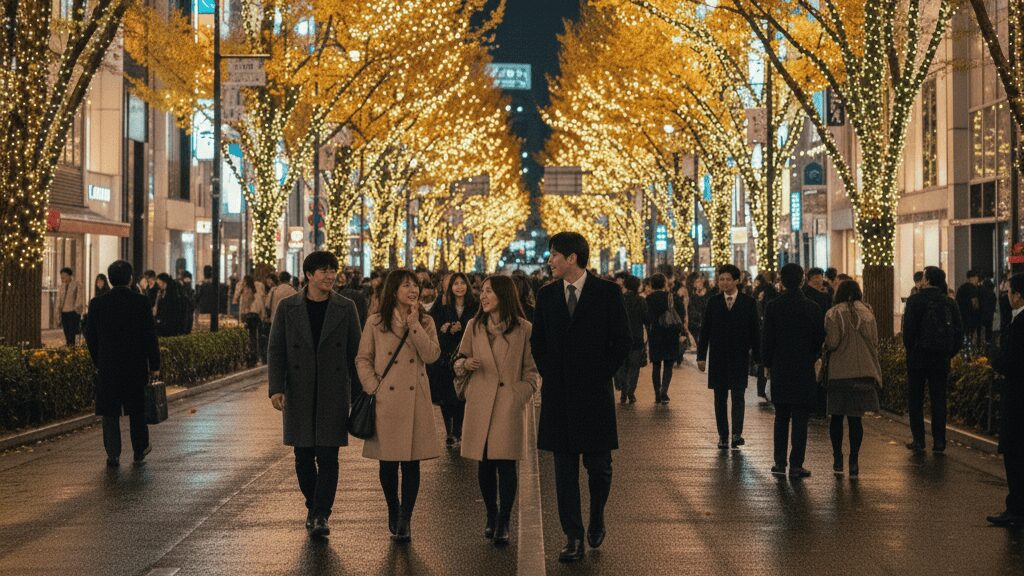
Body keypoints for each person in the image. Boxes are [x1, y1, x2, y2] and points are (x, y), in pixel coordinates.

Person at [530, 232, 630, 563]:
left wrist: (600, 373)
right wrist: (550, 371)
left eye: (554, 255)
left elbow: (621, 341)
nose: (550, 261)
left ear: (572, 257)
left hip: (594, 393)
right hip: (559, 393)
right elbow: (538, 341)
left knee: (599, 467)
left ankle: (597, 514)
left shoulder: (607, 293)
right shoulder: (546, 296)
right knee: (564, 470)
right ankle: (572, 535)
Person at [268, 251, 362, 538]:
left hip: (333, 391)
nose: (330, 276)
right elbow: (277, 349)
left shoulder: (346, 308)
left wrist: (359, 394)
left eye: (333, 270)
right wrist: (276, 388)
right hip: (299, 388)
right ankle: (313, 505)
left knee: (329, 455)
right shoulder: (288, 307)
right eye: (323, 271)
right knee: (303, 455)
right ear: (309, 275)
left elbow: (355, 354)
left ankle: (322, 514)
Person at [355, 270, 441, 542]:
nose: (413, 290)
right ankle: (393, 506)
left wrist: (414, 325)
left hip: (415, 399)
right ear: (394, 291)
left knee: (412, 463)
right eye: (406, 286)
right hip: (386, 399)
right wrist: (373, 386)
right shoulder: (376, 322)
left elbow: (431, 355)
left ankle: (406, 518)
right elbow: (363, 358)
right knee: (388, 464)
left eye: (415, 286)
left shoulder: (425, 321)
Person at [453, 275, 540, 546]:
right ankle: (491, 514)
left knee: (506, 464)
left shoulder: (524, 329)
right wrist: (464, 365)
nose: (483, 296)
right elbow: (459, 357)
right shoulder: (474, 325)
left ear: (504, 294)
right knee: (485, 464)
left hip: (507, 403)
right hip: (480, 401)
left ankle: (504, 520)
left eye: (489, 291)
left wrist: (520, 393)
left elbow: (532, 371)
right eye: (483, 291)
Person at [84, 260, 160, 467]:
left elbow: (90, 335)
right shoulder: (140, 302)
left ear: (109, 279)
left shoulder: (97, 303)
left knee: (110, 411)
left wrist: (98, 358)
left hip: (108, 364)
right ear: (130, 278)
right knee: (137, 409)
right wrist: (154, 364)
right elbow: (149, 336)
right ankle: (139, 449)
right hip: (135, 365)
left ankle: (113, 453)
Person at [762, 263, 825, 479]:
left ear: (781, 280)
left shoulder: (773, 306)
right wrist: (811, 356)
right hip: (803, 368)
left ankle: (779, 463)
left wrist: (767, 364)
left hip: (780, 367)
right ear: (802, 280)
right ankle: (796, 464)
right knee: (800, 418)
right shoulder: (813, 308)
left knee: (781, 417)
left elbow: (767, 339)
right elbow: (819, 339)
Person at [698, 264, 760, 449]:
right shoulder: (713, 302)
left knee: (739, 396)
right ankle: (723, 435)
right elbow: (705, 330)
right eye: (721, 279)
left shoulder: (748, 303)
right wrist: (701, 356)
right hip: (718, 357)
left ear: (736, 281)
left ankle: (736, 434)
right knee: (720, 398)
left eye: (727, 279)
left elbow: (755, 331)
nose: (723, 283)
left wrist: (758, 357)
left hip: (739, 356)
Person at [823, 279, 881, 478]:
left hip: (839, 373)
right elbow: (874, 341)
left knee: (837, 417)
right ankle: (854, 461)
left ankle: (837, 458)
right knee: (856, 420)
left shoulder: (833, 313)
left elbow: (832, 342)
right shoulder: (868, 313)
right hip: (863, 372)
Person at [902, 266, 962, 453]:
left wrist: (912, 351)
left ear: (927, 281)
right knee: (938, 399)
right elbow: (958, 333)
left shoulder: (914, 301)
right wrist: (948, 353)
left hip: (918, 357)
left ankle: (919, 440)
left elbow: (908, 332)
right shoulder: (949, 302)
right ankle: (939, 441)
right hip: (940, 358)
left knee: (916, 399)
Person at [989, 273, 1024, 527]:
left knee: (1015, 452)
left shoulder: (1020, 323)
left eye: (1010, 291)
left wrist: (995, 359)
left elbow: (1011, 362)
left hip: (1018, 396)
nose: (1008, 296)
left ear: (1019, 294)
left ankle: (1016, 508)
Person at [430, 272, 479, 447]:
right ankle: (450, 432)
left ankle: (458, 431)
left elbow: (478, 325)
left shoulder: (475, 304)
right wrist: (444, 328)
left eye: (462, 283)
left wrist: (463, 326)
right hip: (445, 357)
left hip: (465, 355)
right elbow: (432, 324)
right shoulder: (442, 303)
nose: (459, 287)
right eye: (455, 284)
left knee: (461, 395)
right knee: (446, 396)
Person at [645, 273, 682, 404]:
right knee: (668, 366)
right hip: (670, 334)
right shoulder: (672, 297)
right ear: (664, 284)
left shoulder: (648, 299)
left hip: (655, 334)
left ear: (651, 285)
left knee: (656, 365)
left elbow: (646, 318)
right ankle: (664, 392)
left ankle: (657, 394)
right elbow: (680, 315)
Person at [615, 275, 647, 404]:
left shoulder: (619, 299)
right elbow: (646, 319)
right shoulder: (641, 301)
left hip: (621, 338)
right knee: (634, 368)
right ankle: (630, 392)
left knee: (622, 366)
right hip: (637, 338)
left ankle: (623, 392)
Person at [753, 274, 779, 401]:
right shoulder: (774, 303)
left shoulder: (765, 304)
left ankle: (762, 390)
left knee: (763, 367)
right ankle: (765, 390)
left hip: (763, 336)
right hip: (769, 340)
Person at [237, 275, 263, 363]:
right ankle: (254, 354)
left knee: (247, 336)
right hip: (254, 315)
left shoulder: (247, 291)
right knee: (253, 336)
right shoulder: (254, 290)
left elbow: (243, 304)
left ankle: (250, 355)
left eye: (244, 281)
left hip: (248, 315)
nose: (242, 282)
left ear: (246, 282)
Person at [57, 267, 84, 346]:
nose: (62, 277)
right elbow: (59, 300)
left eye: (64, 275)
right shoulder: (61, 286)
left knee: (73, 333)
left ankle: (74, 350)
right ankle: (69, 348)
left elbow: (79, 298)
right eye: (61, 276)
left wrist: (77, 309)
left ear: (70, 276)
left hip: (73, 312)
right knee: (67, 333)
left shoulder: (77, 284)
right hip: (64, 313)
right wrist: (58, 313)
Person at [956, 270, 982, 349]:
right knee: (971, 338)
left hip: (962, 316)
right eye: (977, 278)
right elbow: (975, 304)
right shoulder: (973, 288)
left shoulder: (961, 288)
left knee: (964, 338)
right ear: (972, 278)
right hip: (971, 318)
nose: (978, 280)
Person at [154, 273, 184, 337]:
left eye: (159, 282)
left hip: (170, 322)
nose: (158, 284)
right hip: (164, 322)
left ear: (163, 282)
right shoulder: (162, 292)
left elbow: (172, 308)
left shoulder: (172, 292)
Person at [981, 276, 997, 349]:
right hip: (989, 313)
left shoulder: (982, 293)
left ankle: (980, 341)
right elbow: (994, 304)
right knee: (988, 327)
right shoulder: (992, 294)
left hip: (982, 312)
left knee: (980, 328)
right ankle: (988, 341)